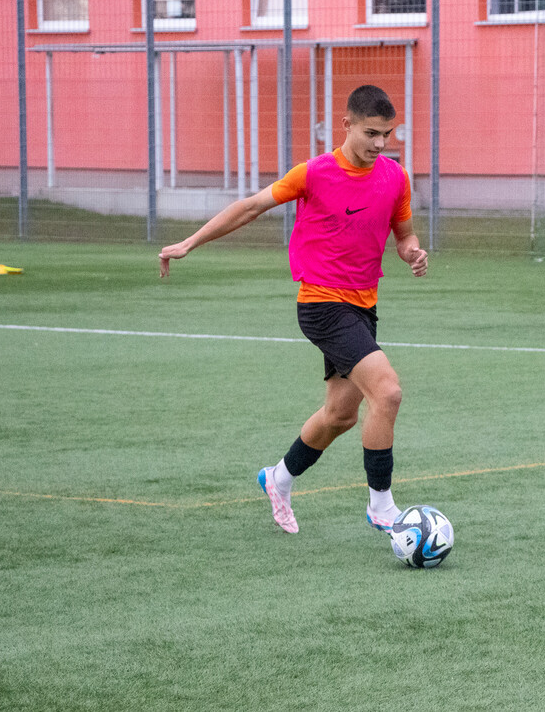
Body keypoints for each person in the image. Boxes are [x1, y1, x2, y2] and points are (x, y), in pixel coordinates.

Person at [158, 85, 428, 535]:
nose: (381, 144)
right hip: (321, 303)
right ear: (346, 125)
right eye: (371, 133)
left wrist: (413, 252)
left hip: (364, 304)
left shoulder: (395, 178)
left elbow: (404, 235)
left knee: (340, 415)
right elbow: (249, 208)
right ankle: (382, 507)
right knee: (389, 392)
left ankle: (277, 480)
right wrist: (189, 243)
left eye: (388, 134)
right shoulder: (314, 173)